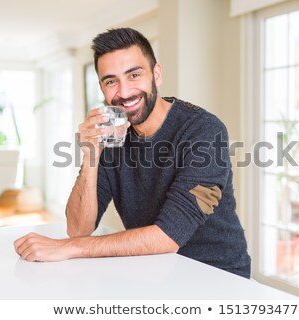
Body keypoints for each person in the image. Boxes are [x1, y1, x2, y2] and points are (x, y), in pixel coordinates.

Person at [14, 27, 251, 278]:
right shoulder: (113, 134)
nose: (124, 92)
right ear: (102, 87)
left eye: (134, 75)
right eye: (111, 81)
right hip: (152, 271)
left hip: (217, 277)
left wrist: (68, 248)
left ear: (156, 75)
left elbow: (168, 237)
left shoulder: (203, 130)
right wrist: (91, 156)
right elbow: (78, 228)